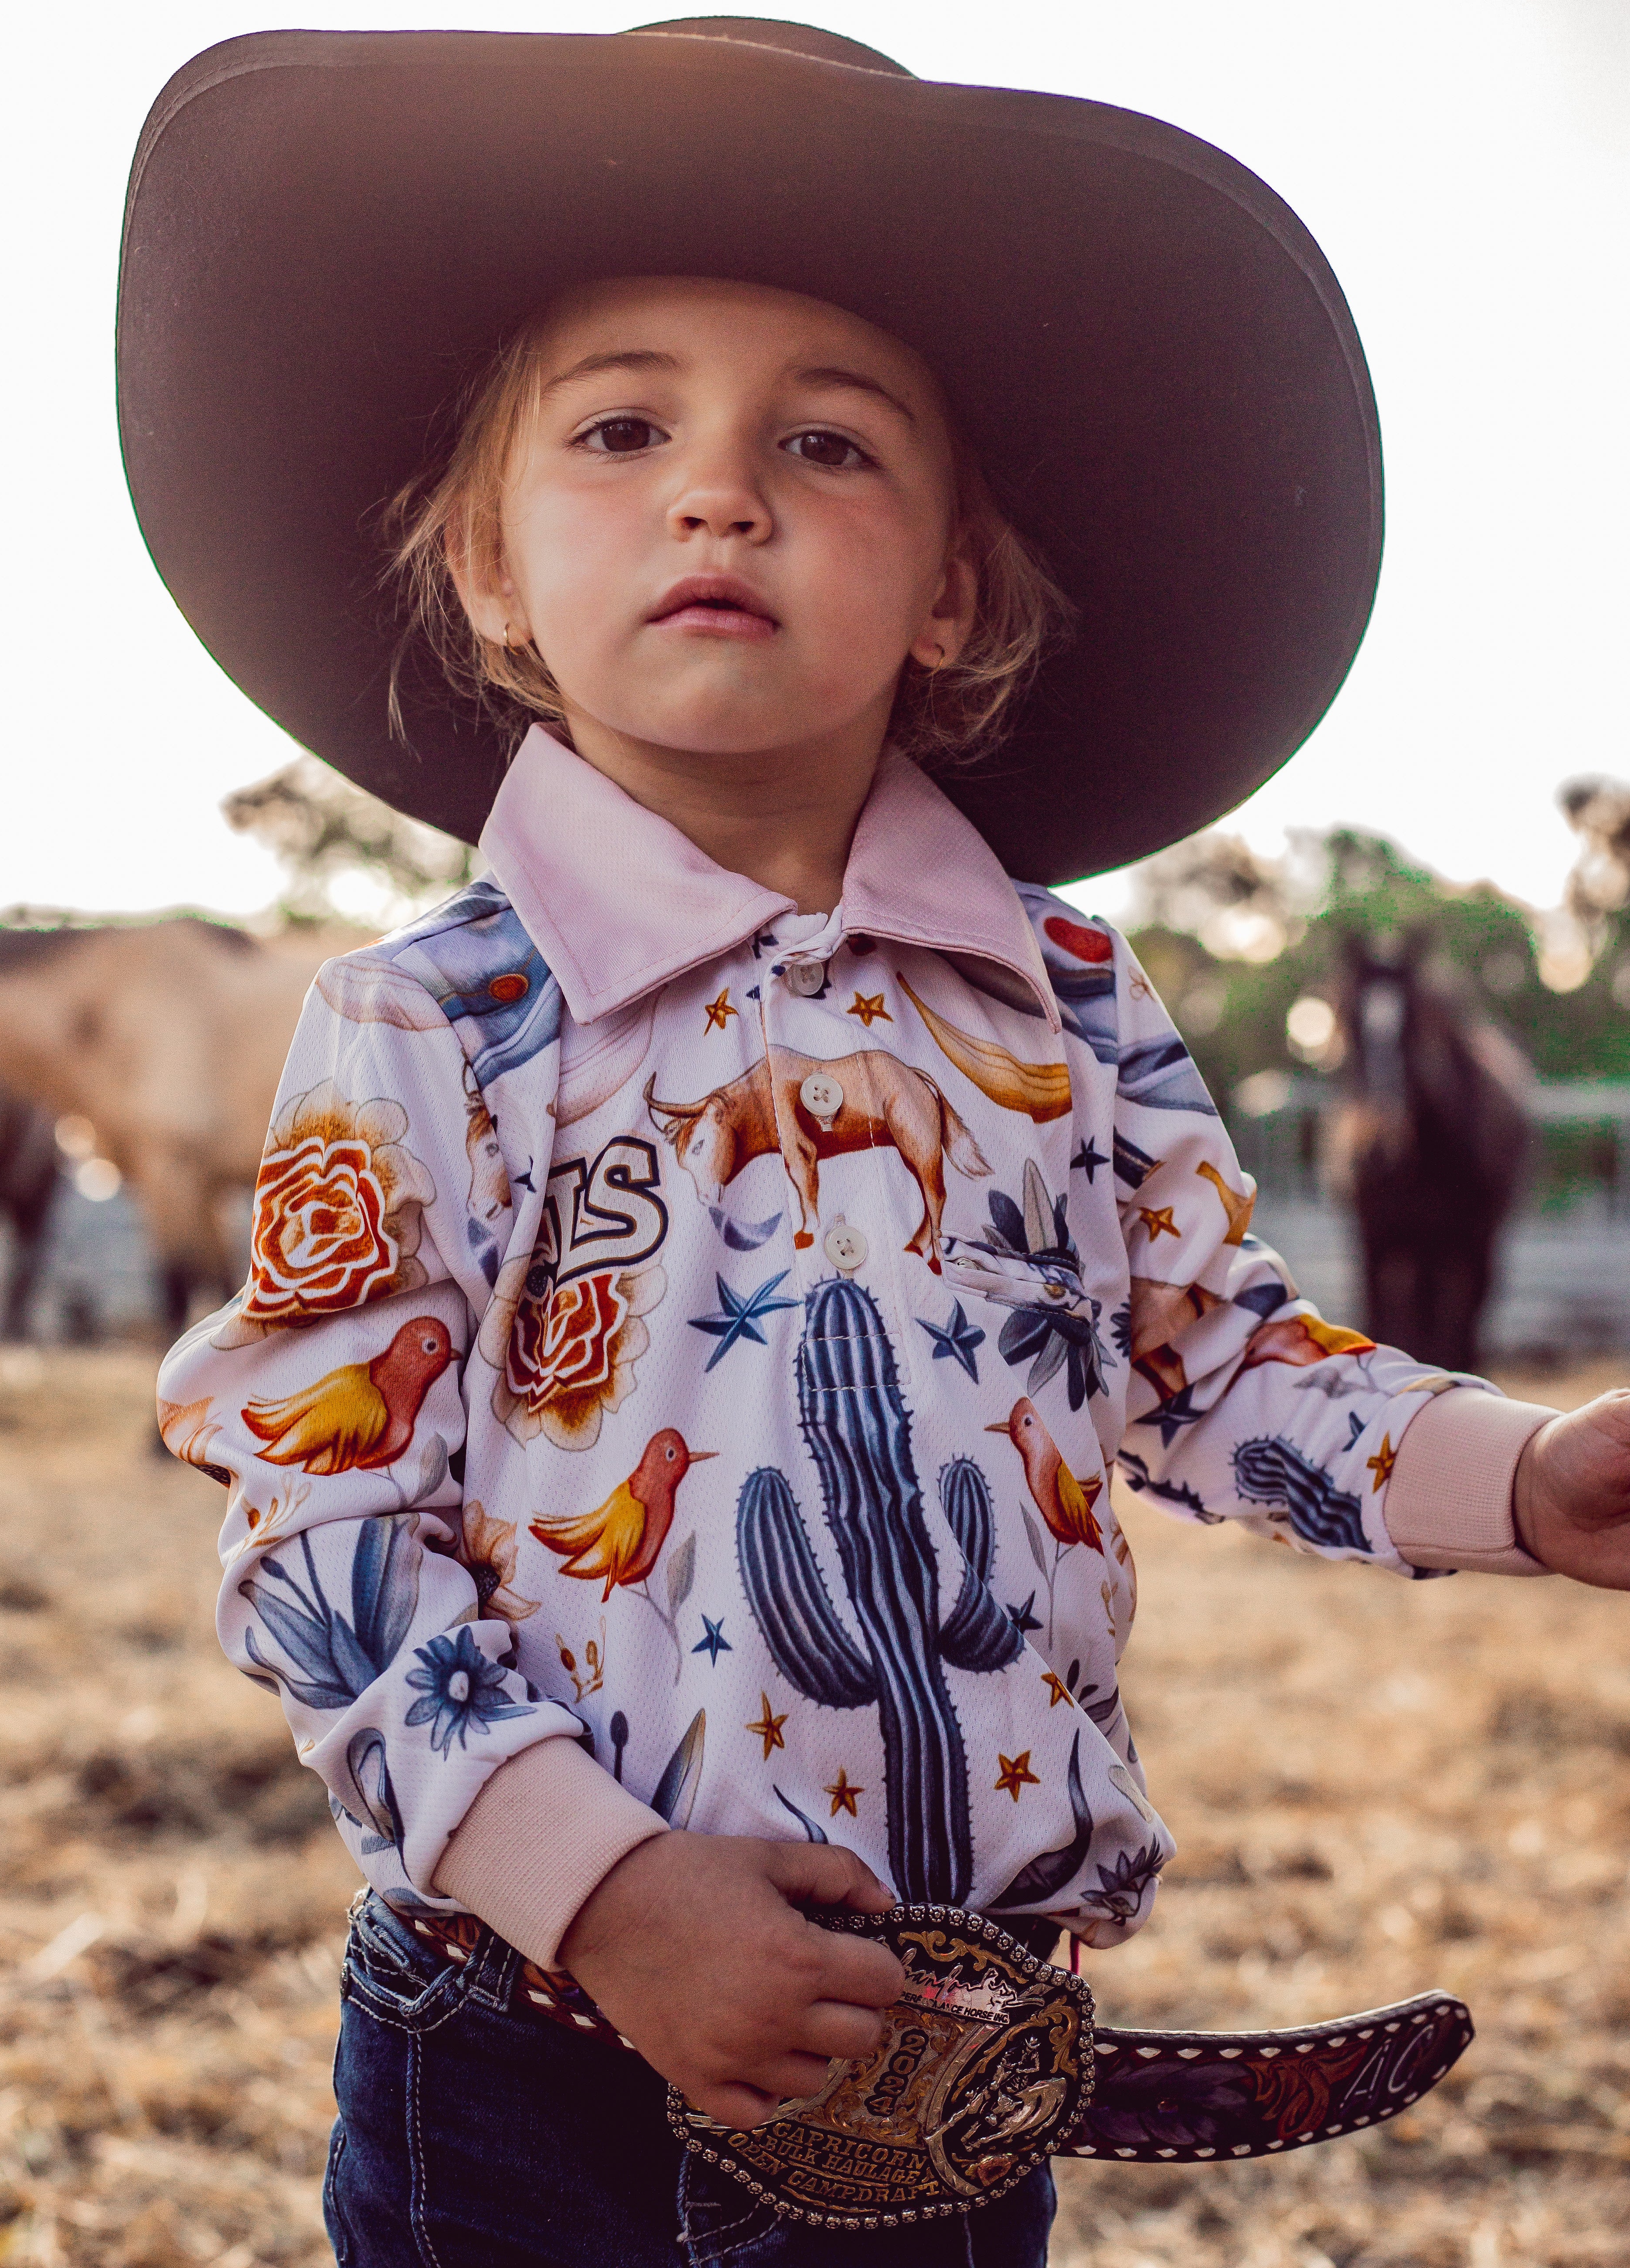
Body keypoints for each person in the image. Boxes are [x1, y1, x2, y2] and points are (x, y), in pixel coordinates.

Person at [125, 21, 1630, 2264]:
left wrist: (1512, 1473)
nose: (716, 491)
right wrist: (602, 1884)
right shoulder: (429, 1022)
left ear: (946, 588)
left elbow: (1211, 1366)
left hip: (945, 2046)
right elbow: (315, 1513)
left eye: (822, 444)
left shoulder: (1070, 1003)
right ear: (494, 569)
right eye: (621, 430)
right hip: (535, 2043)